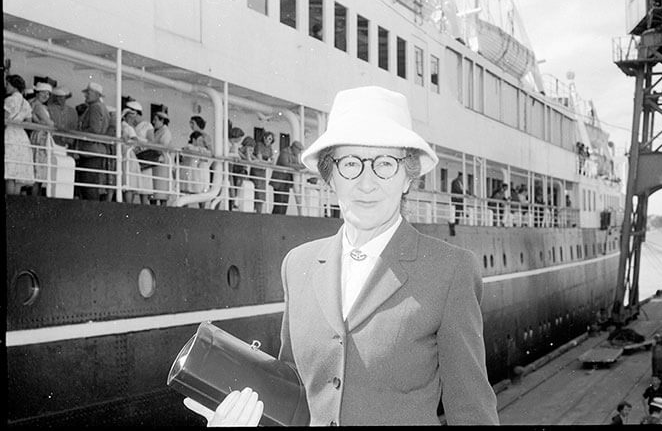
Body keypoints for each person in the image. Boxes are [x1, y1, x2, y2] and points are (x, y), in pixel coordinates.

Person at [185, 86, 499, 426]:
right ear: (330, 177)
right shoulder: (298, 265)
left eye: (385, 164)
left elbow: (471, 411)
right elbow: (292, 392)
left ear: (408, 178)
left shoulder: (449, 269)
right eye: (350, 164)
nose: (366, 183)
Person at [75, 82, 110, 200]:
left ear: (96, 94)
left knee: (88, 185)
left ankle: (91, 212)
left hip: (90, 150)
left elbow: (94, 129)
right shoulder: (102, 107)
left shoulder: (95, 107)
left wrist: (79, 132)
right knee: (91, 184)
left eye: (88, 93)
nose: (86, 96)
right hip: (96, 150)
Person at [4, 74, 35, 195]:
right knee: (18, 173)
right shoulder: (26, 103)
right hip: (21, 136)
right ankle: (15, 205)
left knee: (10, 173)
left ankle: (9, 203)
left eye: (8, 84)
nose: (6, 87)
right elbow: (29, 123)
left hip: (10, 134)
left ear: (14, 86)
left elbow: (5, 118)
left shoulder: (9, 100)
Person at [124, 100, 153, 204]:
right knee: (133, 183)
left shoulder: (147, 125)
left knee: (144, 189)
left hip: (143, 156)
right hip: (134, 157)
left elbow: (151, 141)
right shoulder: (131, 126)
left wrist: (138, 141)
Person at [29, 82, 55, 197]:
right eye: (43, 93)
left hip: (38, 136)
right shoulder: (38, 106)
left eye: (48, 94)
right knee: (39, 171)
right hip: (41, 137)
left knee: (38, 171)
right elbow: (49, 124)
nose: (46, 96)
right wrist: (51, 123)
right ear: (38, 93)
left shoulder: (34, 104)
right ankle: (35, 198)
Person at [270, 140, 305, 215]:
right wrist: (300, 166)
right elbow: (285, 163)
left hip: (286, 181)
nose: (299, 152)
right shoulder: (285, 152)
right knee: (279, 201)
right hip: (279, 180)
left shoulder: (294, 155)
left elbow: (296, 164)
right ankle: (276, 218)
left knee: (285, 201)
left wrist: (301, 166)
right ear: (295, 148)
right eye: (299, 150)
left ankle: (281, 217)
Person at [149, 111, 173, 205]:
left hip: (162, 160)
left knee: (162, 188)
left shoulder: (166, 132)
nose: (153, 122)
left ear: (162, 120)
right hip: (155, 160)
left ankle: (163, 207)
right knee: (154, 188)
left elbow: (164, 146)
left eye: (155, 120)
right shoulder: (157, 132)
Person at [179, 130, 211, 198]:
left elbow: (209, 154)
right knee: (186, 189)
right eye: (199, 140)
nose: (201, 143)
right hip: (188, 170)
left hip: (195, 171)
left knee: (198, 189)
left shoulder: (201, 149)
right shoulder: (188, 147)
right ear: (194, 139)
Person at [120, 108, 142, 204]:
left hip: (122, 153)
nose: (133, 120)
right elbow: (136, 143)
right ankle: (129, 204)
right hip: (129, 154)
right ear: (127, 117)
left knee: (125, 179)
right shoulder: (129, 128)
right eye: (132, 118)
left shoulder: (120, 126)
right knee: (130, 181)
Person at [251, 131, 275, 213]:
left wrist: (271, 161)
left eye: (270, 139)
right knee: (257, 189)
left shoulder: (270, 147)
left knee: (262, 191)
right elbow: (259, 158)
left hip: (263, 170)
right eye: (267, 138)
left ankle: (259, 211)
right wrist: (268, 162)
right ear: (264, 138)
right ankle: (256, 210)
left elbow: (272, 159)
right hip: (256, 169)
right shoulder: (259, 145)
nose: (268, 140)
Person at [227, 126, 245, 210]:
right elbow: (227, 154)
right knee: (230, 184)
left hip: (231, 167)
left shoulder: (234, 145)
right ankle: (231, 202)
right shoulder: (228, 144)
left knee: (232, 184)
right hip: (228, 166)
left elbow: (239, 155)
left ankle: (232, 202)